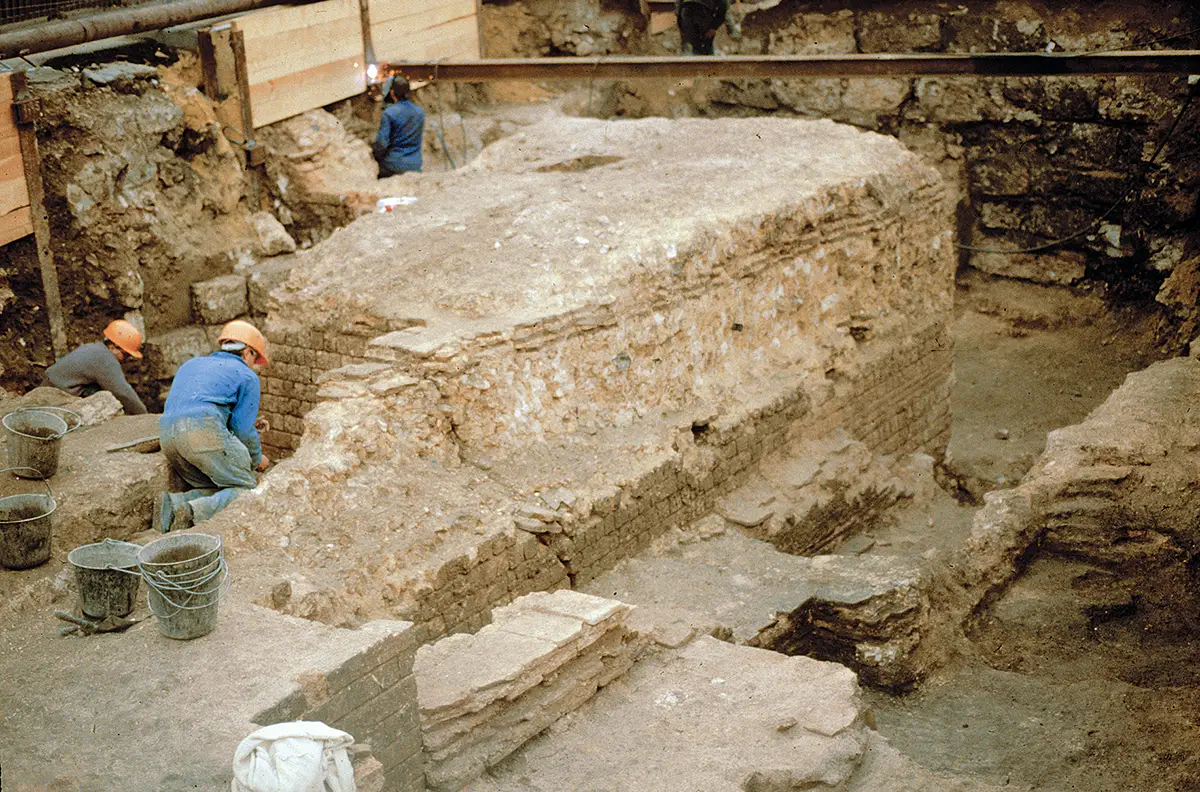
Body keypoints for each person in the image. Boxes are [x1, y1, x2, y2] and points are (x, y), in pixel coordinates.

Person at [154, 320, 271, 533]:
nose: (255, 365)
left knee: (222, 485)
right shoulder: (247, 376)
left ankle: (174, 503)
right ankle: (193, 510)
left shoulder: (191, 364)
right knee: (247, 488)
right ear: (247, 352)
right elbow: (242, 429)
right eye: (255, 358)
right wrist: (257, 459)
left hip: (168, 436)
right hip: (201, 433)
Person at [44, 319, 148, 415]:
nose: (125, 359)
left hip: (53, 384)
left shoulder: (96, 348)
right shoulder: (105, 359)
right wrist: (144, 416)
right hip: (55, 394)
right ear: (113, 346)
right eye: (125, 354)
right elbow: (123, 393)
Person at [373, 76, 425, 177]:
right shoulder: (420, 112)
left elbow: (382, 143)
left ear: (392, 92)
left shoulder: (389, 113)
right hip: (415, 164)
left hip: (393, 165)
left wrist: (375, 156)